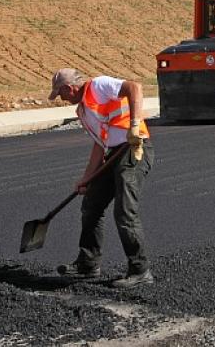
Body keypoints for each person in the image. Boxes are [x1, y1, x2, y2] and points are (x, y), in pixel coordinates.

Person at [48, 68, 155, 288]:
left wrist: (134, 125)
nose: (62, 98)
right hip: (112, 154)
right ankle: (88, 264)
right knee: (91, 205)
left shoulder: (99, 86)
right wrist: (87, 178)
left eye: (61, 94)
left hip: (134, 147)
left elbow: (135, 88)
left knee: (124, 211)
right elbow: (99, 144)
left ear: (69, 88)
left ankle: (140, 270)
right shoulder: (83, 111)